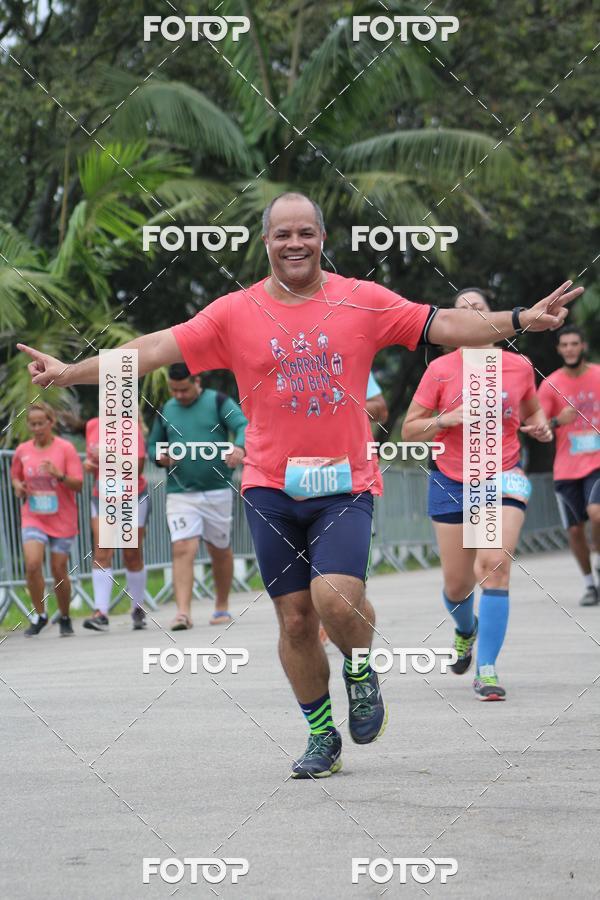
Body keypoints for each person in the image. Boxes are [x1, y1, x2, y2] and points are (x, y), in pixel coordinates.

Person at [18, 192, 582, 775]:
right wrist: (69, 372)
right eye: (283, 234)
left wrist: (520, 319)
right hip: (269, 485)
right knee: (293, 618)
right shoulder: (234, 312)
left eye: (306, 233)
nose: (295, 243)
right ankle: (321, 735)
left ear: (321, 239)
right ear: (266, 242)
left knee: (333, 596)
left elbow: (442, 323)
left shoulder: (361, 301)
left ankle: (359, 669)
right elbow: (154, 348)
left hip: (346, 482)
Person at [402, 287, 553, 700]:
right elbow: (410, 430)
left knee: (493, 566)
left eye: (480, 309)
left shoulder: (519, 367)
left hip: (502, 475)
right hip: (451, 479)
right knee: (457, 587)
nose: (472, 316)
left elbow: (533, 411)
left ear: (496, 319)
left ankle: (486, 669)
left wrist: (541, 427)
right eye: (462, 311)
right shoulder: (440, 370)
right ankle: (465, 631)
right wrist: (447, 418)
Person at [147, 364, 247, 630]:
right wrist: (159, 455)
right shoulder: (167, 409)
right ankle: (182, 613)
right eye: (174, 390)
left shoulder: (217, 401)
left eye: (184, 389)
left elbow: (242, 425)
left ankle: (221, 607)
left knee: (219, 549)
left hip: (217, 489)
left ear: (197, 381)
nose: (179, 395)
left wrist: (239, 447)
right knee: (182, 548)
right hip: (180, 492)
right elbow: (153, 443)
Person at [318, 370, 388, 646]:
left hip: (347, 476)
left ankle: (344, 620)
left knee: (348, 578)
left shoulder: (348, 357)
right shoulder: (283, 361)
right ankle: (323, 618)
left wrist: (334, 405)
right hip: (294, 476)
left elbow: (379, 408)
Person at [538, 326, 600, 606]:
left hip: (597, 463)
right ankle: (590, 584)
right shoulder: (551, 384)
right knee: (575, 530)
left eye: (575, 343)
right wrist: (555, 422)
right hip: (566, 467)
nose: (570, 349)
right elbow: (537, 429)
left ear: (583, 346)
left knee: (596, 513)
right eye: (565, 345)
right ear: (559, 350)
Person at [10, 402, 83, 637]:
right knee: (32, 565)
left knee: (58, 568)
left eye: (42, 423)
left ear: (51, 423)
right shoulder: (23, 450)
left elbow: (78, 483)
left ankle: (64, 616)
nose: (37, 428)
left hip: (62, 518)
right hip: (34, 516)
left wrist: (58, 475)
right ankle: (40, 615)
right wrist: (19, 487)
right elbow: (15, 478)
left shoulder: (65, 449)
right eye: (33, 424)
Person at [82, 415, 151, 631]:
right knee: (102, 550)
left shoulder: (132, 427)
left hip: (132, 496)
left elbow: (138, 467)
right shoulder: (92, 425)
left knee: (131, 553)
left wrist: (108, 456)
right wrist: (90, 464)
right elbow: (94, 462)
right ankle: (100, 612)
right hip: (102, 496)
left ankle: (137, 607)